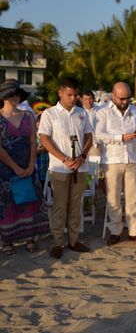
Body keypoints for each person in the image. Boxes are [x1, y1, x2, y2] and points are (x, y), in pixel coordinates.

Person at [39, 78, 93, 258]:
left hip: (80, 166)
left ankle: (73, 240)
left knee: (76, 205)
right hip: (59, 168)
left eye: (75, 95)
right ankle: (57, 243)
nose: (72, 98)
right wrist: (64, 159)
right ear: (60, 93)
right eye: (69, 95)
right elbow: (45, 139)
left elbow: (89, 136)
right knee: (60, 206)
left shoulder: (82, 113)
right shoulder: (50, 114)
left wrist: (82, 156)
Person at [95, 82, 136, 245]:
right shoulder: (102, 111)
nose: (125, 102)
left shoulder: (134, 110)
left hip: (131, 158)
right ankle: (115, 231)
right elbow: (98, 135)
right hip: (112, 159)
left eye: (127, 98)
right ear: (113, 96)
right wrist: (120, 137)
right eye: (122, 98)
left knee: (133, 197)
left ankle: (135, 231)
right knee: (113, 198)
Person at [0, 80, 49, 255]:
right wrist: (14, 167)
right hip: (5, 169)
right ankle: (8, 242)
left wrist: (29, 165)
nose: (15, 97)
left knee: (30, 201)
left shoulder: (28, 116)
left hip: (28, 165)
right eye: (11, 94)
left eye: (18, 93)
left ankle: (30, 238)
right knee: (8, 204)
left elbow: (32, 142)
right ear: (4, 97)